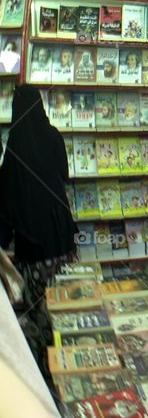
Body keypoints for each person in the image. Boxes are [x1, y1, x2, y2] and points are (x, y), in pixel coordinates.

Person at [0, 85, 77, 382]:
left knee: (37, 309)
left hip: (33, 243)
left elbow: (7, 200)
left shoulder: (15, 144)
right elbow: (64, 175)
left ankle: (47, 372)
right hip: (61, 233)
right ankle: (71, 363)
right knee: (65, 303)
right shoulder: (53, 135)